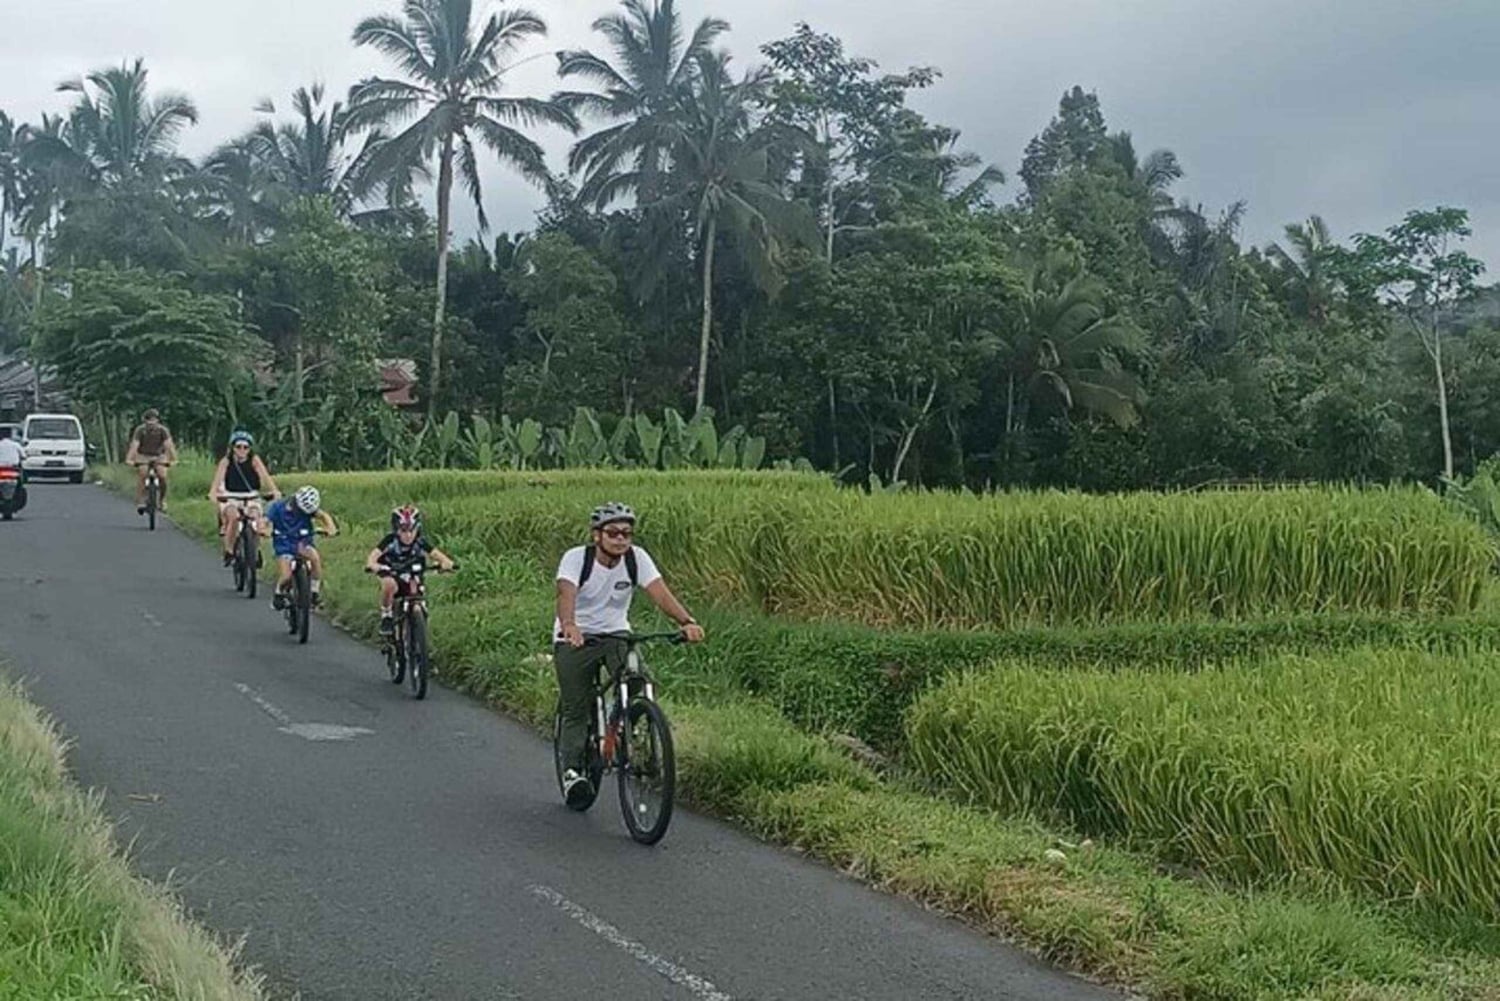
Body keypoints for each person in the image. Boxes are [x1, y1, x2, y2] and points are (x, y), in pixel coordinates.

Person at [552, 501, 704, 808]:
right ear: (597, 535)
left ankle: (619, 722)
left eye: (626, 533)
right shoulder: (576, 558)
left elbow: (660, 593)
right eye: (613, 533)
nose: (621, 539)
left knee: (637, 679)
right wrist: (569, 625)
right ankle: (573, 773)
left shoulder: (636, 558)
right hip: (576, 637)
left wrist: (686, 621)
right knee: (575, 707)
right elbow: (565, 593)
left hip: (616, 634)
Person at [364, 505, 456, 638]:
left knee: (418, 591)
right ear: (396, 529)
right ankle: (387, 615)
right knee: (389, 585)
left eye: (411, 530)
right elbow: (373, 556)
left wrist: (446, 563)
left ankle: (419, 622)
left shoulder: (420, 542)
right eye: (403, 530)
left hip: (413, 574)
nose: (408, 535)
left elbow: (437, 554)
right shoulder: (389, 541)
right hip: (392, 572)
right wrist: (373, 565)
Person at [209, 430, 281, 566]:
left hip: (251, 496)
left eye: (245, 447)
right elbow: (218, 480)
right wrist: (213, 493)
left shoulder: (254, 460)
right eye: (238, 447)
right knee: (233, 517)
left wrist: (274, 490)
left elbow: (265, 476)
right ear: (233, 448)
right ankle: (229, 550)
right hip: (231, 496)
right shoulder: (226, 461)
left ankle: (256, 549)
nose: (242, 450)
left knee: (256, 518)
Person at [263, 486, 338, 609]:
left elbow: (323, 516)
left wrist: (330, 528)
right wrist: (264, 530)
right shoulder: (278, 507)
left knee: (315, 558)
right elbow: (265, 521)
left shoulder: (309, 509)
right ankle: (278, 593)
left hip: (303, 541)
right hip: (284, 543)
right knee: (286, 575)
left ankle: (314, 592)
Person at [123, 408, 178, 514]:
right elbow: (135, 445)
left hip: (159, 455)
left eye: (153, 420)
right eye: (148, 420)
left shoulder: (163, 431)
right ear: (145, 421)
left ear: (157, 420)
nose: (151, 423)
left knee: (162, 475)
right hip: (143, 455)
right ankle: (141, 500)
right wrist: (129, 459)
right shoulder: (140, 430)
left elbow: (169, 445)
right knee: (143, 473)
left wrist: (173, 459)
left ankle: (162, 500)